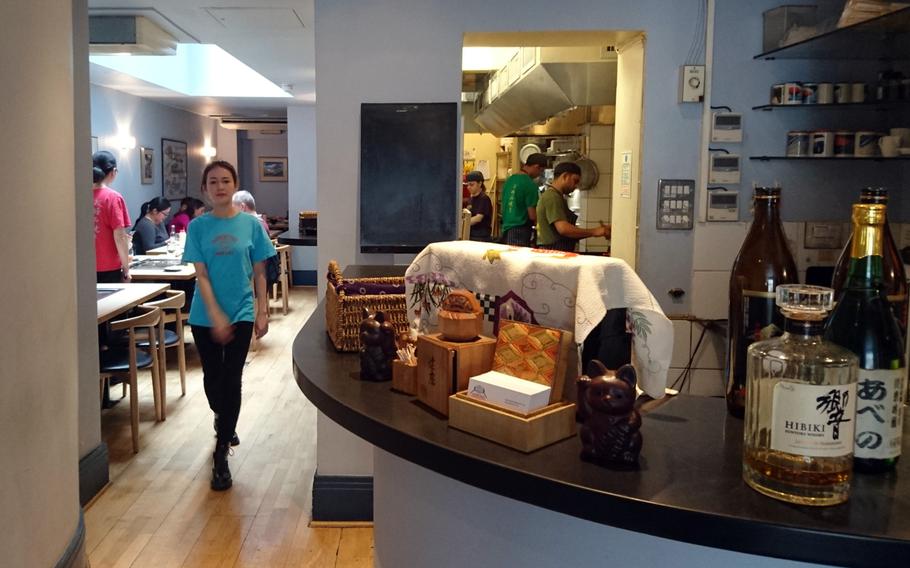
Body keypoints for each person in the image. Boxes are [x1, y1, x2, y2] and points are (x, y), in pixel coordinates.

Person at [183, 160, 276, 491]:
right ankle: (223, 418)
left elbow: (261, 271)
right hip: (203, 316)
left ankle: (221, 454)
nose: (220, 186)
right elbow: (201, 274)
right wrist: (215, 314)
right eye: (213, 181)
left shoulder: (251, 225)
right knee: (212, 378)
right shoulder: (197, 228)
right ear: (204, 189)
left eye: (226, 180)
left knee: (232, 378)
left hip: (242, 312)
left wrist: (262, 311)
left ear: (234, 184)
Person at [536, 161, 610, 252]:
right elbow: (564, 229)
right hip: (553, 252)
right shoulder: (552, 197)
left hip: (557, 251)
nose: (576, 186)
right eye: (575, 181)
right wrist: (594, 231)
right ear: (565, 176)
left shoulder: (556, 196)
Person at [92, 151, 132, 283]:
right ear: (113, 171)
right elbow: (120, 237)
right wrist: (126, 269)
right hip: (108, 266)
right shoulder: (113, 198)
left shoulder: (77, 195)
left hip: (82, 266)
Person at [500, 152, 547, 246]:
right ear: (536, 166)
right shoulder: (530, 185)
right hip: (519, 230)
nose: (539, 174)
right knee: (518, 260)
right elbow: (532, 215)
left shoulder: (509, 180)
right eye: (541, 171)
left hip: (505, 228)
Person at [464, 170, 492, 241]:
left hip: (481, 237)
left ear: (480, 183)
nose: (468, 187)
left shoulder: (484, 198)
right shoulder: (471, 198)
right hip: (471, 234)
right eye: (468, 185)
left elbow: (478, 218)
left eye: (471, 184)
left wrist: (463, 224)